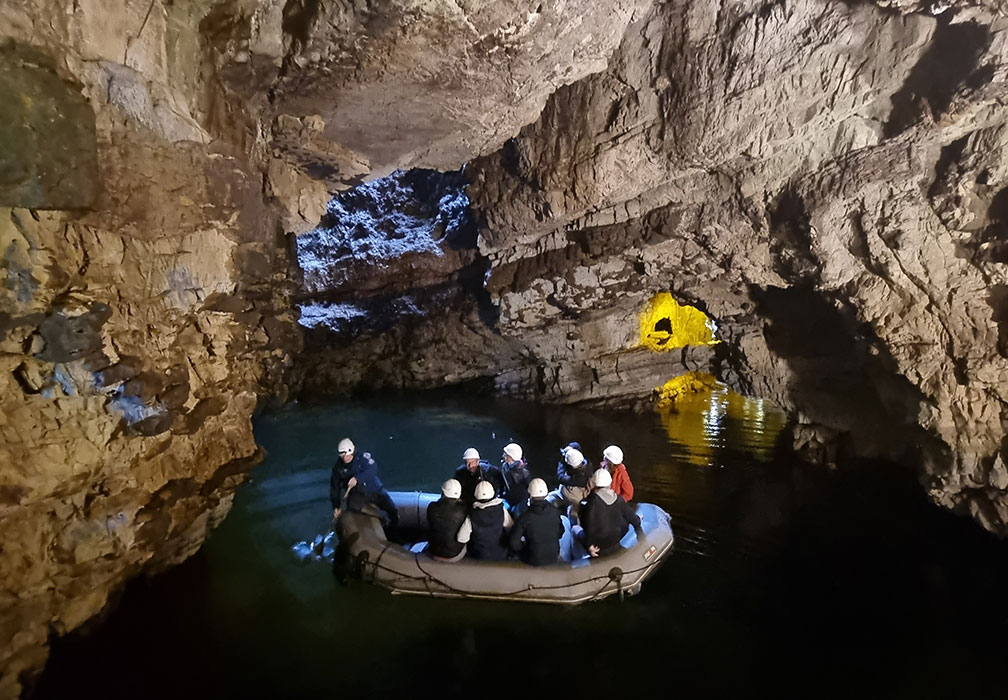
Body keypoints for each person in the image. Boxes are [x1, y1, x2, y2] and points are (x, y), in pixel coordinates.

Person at [330, 437, 398, 530]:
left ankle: (394, 529)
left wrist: (357, 478)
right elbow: (335, 489)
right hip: (356, 495)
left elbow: (373, 468)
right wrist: (336, 506)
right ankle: (380, 516)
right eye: (342, 456)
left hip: (374, 489)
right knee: (354, 509)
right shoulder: (337, 468)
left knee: (392, 509)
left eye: (347, 455)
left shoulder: (363, 457)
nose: (345, 458)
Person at [576, 468, 643, 558]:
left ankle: (577, 559)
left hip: (598, 546)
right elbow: (633, 519)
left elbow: (588, 526)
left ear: (594, 483)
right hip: (614, 541)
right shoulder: (619, 500)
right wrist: (640, 530)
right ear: (610, 483)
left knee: (574, 528)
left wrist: (589, 545)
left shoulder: (589, 504)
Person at [509, 478, 564, 566]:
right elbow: (561, 532)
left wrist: (525, 546)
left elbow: (514, 543)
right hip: (553, 555)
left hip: (533, 559)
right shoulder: (555, 512)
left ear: (530, 496)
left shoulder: (524, 517)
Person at [457, 480, 513, 561]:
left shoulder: (472, 514)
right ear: (492, 493)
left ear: (476, 495)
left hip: (479, 554)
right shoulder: (502, 510)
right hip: (500, 553)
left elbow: (461, 538)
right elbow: (510, 527)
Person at [426, 479, 468, 562]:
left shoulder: (431, 506)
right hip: (454, 555)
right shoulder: (464, 510)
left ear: (443, 492)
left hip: (434, 552)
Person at [552, 443, 591, 522]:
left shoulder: (582, 478)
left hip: (574, 500)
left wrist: (562, 460)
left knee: (573, 516)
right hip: (562, 493)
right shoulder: (584, 462)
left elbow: (561, 477)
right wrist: (570, 449)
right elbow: (576, 445)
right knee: (548, 501)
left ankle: (576, 531)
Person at [499, 442, 532, 515]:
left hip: (521, 499)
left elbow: (528, 487)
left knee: (517, 513)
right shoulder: (505, 466)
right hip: (508, 496)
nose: (504, 455)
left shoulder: (524, 472)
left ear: (511, 456)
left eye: (506, 454)